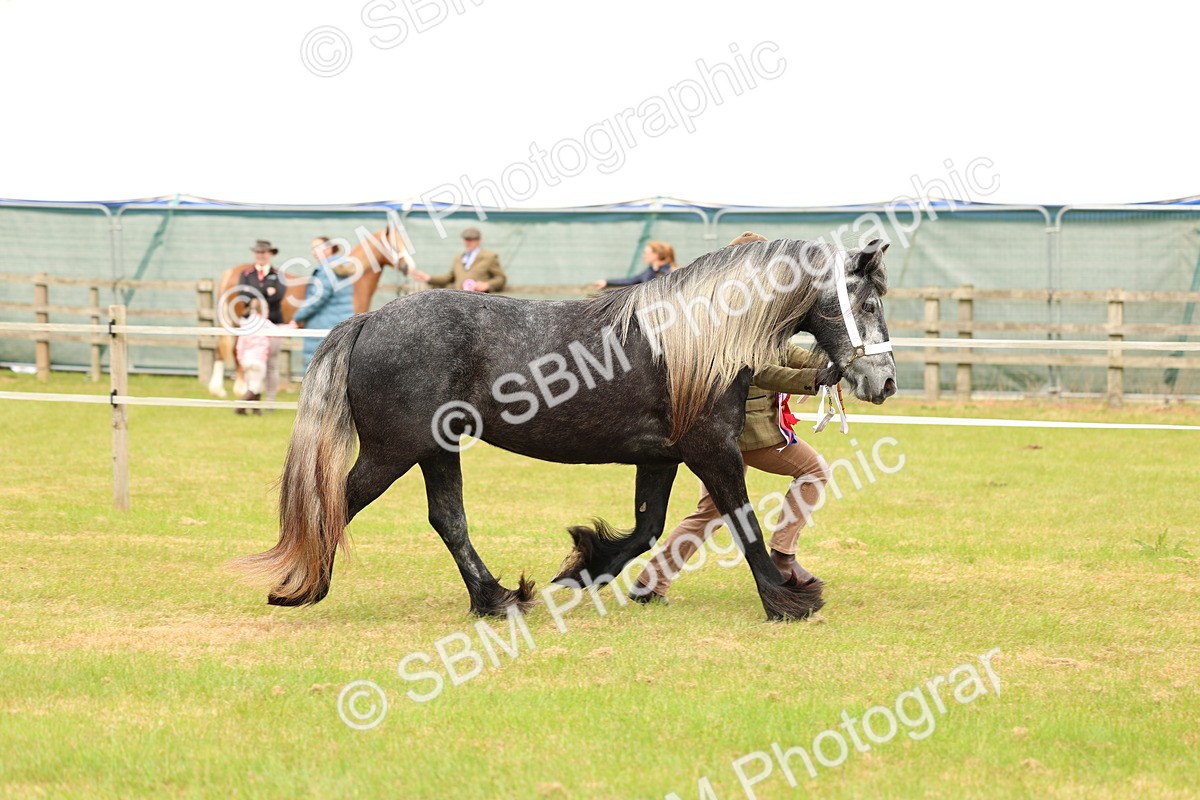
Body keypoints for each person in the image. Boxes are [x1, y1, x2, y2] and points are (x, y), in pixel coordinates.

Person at [630, 232, 839, 603]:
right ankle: (783, 556)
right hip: (749, 430)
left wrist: (834, 365)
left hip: (719, 431)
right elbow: (760, 370)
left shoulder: (738, 308)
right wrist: (814, 379)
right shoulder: (736, 315)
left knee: (710, 510)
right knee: (814, 472)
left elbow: (783, 351)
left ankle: (651, 582)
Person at [290, 236, 356, 372]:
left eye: (317, 248)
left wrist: (297, 318)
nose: (313, 252)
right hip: (342, 324)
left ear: (329, 249)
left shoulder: (326, 270)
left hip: (322, 326)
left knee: (316, 370)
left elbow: (316, 299)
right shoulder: (340, 267)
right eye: (313, 249)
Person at [237, 240, 286, 402]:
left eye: (264, 252)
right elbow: (242, 295)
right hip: (251, 326)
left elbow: (278, 295)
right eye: (258, 252)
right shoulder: (246, 274)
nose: (261, 255)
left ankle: (270, 401)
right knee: (251, 363)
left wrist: (255, 294)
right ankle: (253, 399)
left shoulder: (278, 274)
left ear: (270, 254)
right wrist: (266, 290)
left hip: (273, 323)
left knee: (271, 364)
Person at [411, 227, 506, 292]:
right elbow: (449, 278)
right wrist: (429, 278)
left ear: (478, 240)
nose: (468, 242)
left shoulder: (489, 256)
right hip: (457, 301)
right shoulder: (458, 257)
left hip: (479, 301)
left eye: (471, 239)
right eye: (466, 239)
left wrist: (487, 284)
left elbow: (501, 278)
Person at [234, 298, 276, 416]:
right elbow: (277, 331)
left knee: (254, 384)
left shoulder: (245, 323)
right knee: (255, 386)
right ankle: (240, 406)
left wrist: (240, 359)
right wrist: (292, 325)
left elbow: (240, 343)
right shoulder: (264, 323)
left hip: (246, 359)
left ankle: (256, 410)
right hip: (258, 359)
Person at [592, 241, 676, 289]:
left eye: (646, 253)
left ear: (656, 254)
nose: (643, 256)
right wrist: (607, 282)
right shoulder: (650, 271)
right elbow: (630, 281)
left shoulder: (669, 272)